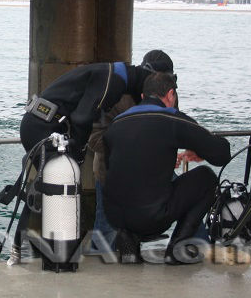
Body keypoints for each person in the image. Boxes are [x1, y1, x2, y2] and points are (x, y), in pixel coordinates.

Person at [9, 58, 162, 262]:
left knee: (50, 189)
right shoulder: (113, 82)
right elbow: (82, 118)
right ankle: (39, 250)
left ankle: (38, 248)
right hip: (41, 127)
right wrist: (79, 150)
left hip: (39, 122)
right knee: (56, 187)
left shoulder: (111, 72)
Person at [103, 72, 232, 264]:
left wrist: (164, 159)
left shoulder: (117, 123)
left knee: (133, 190)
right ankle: (177, 250)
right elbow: (221, 154)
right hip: (150, 218)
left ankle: (129, 239)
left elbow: (116, 165)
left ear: (142, 97)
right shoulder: (171, 118)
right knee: (206, 177)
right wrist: (200, 150)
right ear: (171, 94)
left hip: (115, 216)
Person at [88, 50, 174, 251]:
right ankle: (96, 271)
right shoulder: (116, 95)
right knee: (105, 229)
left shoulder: (169, 95)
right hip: (112, 175)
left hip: (150, 174)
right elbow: (94, 138)